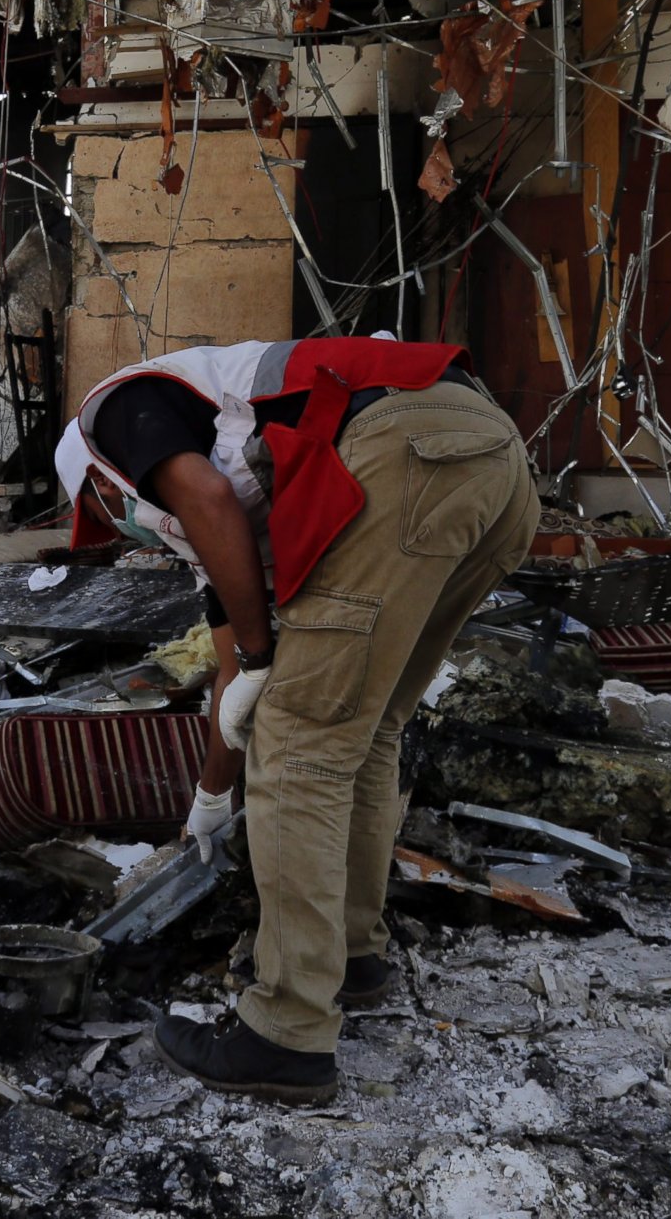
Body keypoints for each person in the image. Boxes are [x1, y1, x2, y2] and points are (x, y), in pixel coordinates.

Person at [56, 335, 536, 1103]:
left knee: (303, 737)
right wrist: (211, 796)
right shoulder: (227, 502)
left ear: (97, 482)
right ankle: (353, 955)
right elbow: (233, 666)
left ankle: (284, 1032)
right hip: (492, 460)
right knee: (365, 725)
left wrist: (256, 663)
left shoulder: (111, 412)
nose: (130, 530)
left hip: (410, 449)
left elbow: (217, 538)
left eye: (110, 516)